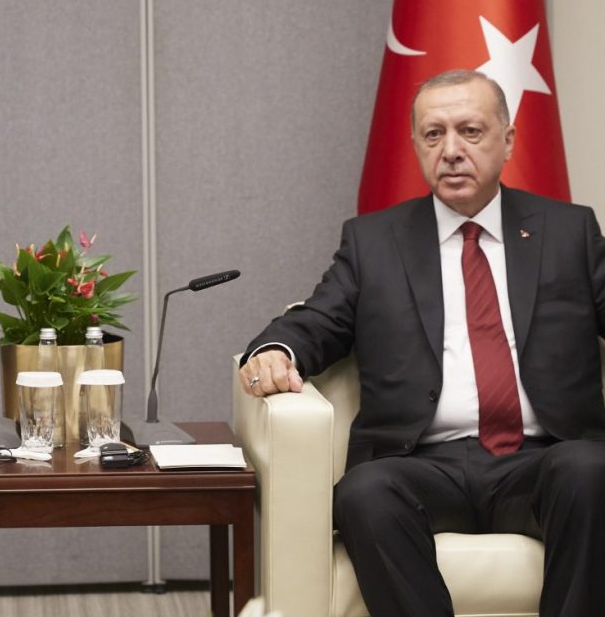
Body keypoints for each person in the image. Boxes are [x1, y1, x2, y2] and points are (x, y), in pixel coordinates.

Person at [239, 69, 605, 616]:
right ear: (415, 145)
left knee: (591, 469)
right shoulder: (373, 241)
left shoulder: (568, 232)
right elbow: (317, 320)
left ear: (508, 140)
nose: (451, 151)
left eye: (470, 131)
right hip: (421, 464)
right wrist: (275, 350)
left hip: (543, 461)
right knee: (365, 492)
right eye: (434, 134)